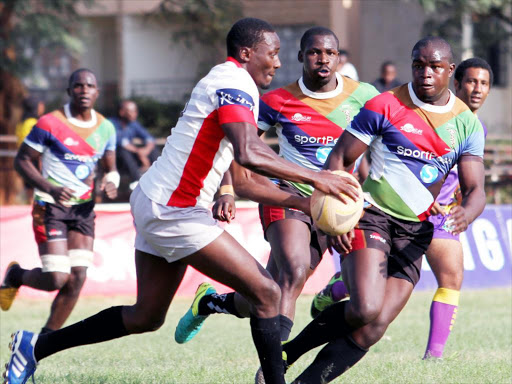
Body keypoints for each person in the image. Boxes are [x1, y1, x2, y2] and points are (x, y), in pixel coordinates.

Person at [2, 18, 359, 384]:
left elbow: (244, 180)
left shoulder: (233, 83)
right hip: (175, 209)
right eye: (273, 53)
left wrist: (307, 203)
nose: (278, 63)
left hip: (157, 202)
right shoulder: (233, 82)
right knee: (268, 292)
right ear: (247, 53)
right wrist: (319, 177)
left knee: (146, 316)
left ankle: (33, 347)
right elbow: (249, 152)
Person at [278, 36, 486, 383]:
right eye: (419, 65)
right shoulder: (385, 104)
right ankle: (286, 354)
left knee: (373, 328)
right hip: (371, 216)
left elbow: (476, 187)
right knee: (365, 308)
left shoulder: (466, 124)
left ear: (450, 70)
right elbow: (341, 160)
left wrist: (469, 210)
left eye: (435, 67)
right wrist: (337, 218)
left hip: (416, 232)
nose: (426, 73)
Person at [176, 27, 378, 346]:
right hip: (287, 194)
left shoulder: (365, 96)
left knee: (271, 290)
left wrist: (359, 205)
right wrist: (227, 188)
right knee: (294, 271)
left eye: (329, 52)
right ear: (300, 57)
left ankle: (210, 302)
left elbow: (381, 147)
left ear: (338, 58)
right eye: (314, 52)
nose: (322, 59)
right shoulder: (276, 101)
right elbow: (236, 144)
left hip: (337, 204)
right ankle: (273, 371)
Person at [0, 69, 119, 337]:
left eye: (90, 85)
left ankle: (41, 343)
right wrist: (50, 188)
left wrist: (112, 181)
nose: (84, 90)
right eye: (78, 86)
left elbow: (111, 167)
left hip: (83, 211)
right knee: (56, 278)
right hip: (50, 208)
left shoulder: (106, 128)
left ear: (97, 92)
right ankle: (16, 275)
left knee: (77, 278)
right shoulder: (49, 123)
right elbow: (22, 160)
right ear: (69, 91)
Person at [423, 57, 492, 360]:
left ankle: (432, 358)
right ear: (457, 83)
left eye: (484, 83)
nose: (477, 89)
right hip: (406, 209)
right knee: (374, 282)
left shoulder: (479, 128)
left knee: (452, 278)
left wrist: (462, 206)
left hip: (443, 217)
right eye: (472, 81)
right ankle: (336, 289)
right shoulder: (435, 118)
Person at [109, 100, 159, 191]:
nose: (135, 113)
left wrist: (146, 150)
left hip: (134, 159)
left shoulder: (133, 124)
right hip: (116, 161)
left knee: (153, 149)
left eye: (136, 111)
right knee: (123, 151)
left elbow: (149, 138)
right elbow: (122, 143)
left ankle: (158, 177)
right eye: (132, 111)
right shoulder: (111, 123)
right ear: (122, 112)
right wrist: (139, 152)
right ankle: (136, 180)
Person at [14, 95, 46, 201]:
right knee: (36, 191)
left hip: (23, 159)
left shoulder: (21, 123)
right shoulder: (34, 124)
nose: (42, 108)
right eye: (40, 105)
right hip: (33, 161)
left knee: (29, 190)